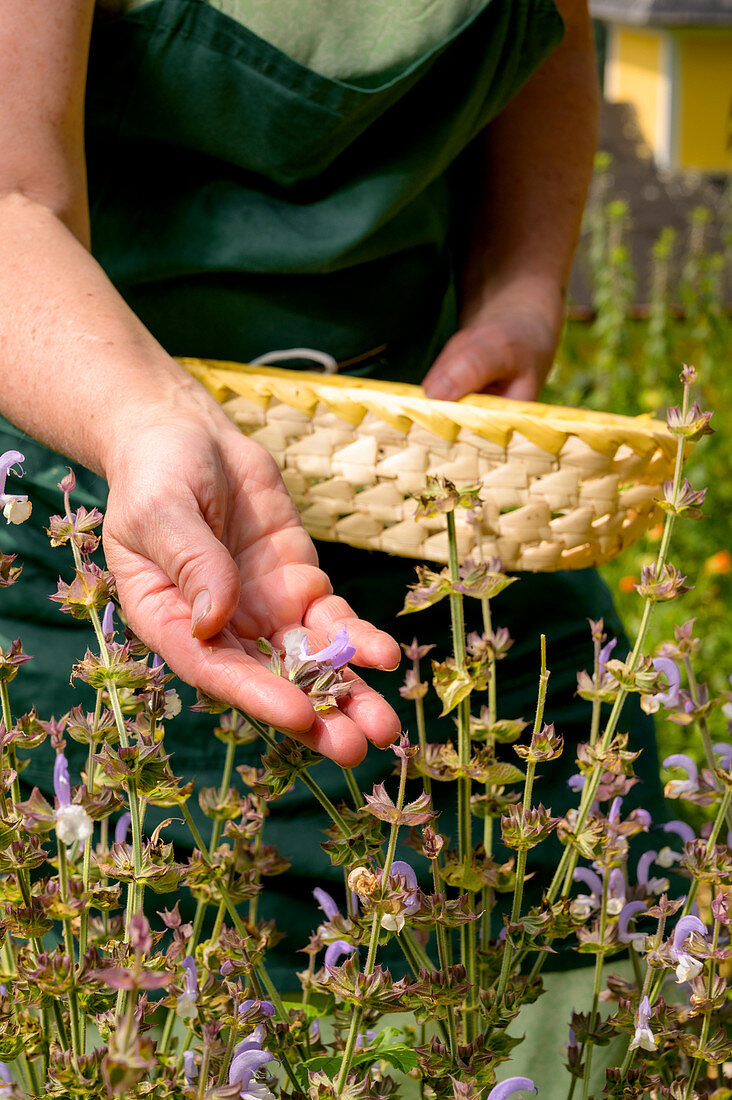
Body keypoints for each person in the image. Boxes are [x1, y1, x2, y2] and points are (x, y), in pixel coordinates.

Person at [0, 0, 665, 1021]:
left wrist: (521, 290)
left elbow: (552, 40)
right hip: (116, 539)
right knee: (156, 996)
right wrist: (144, 417)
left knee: (563, 965)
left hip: (457, 524)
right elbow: (10, 201)